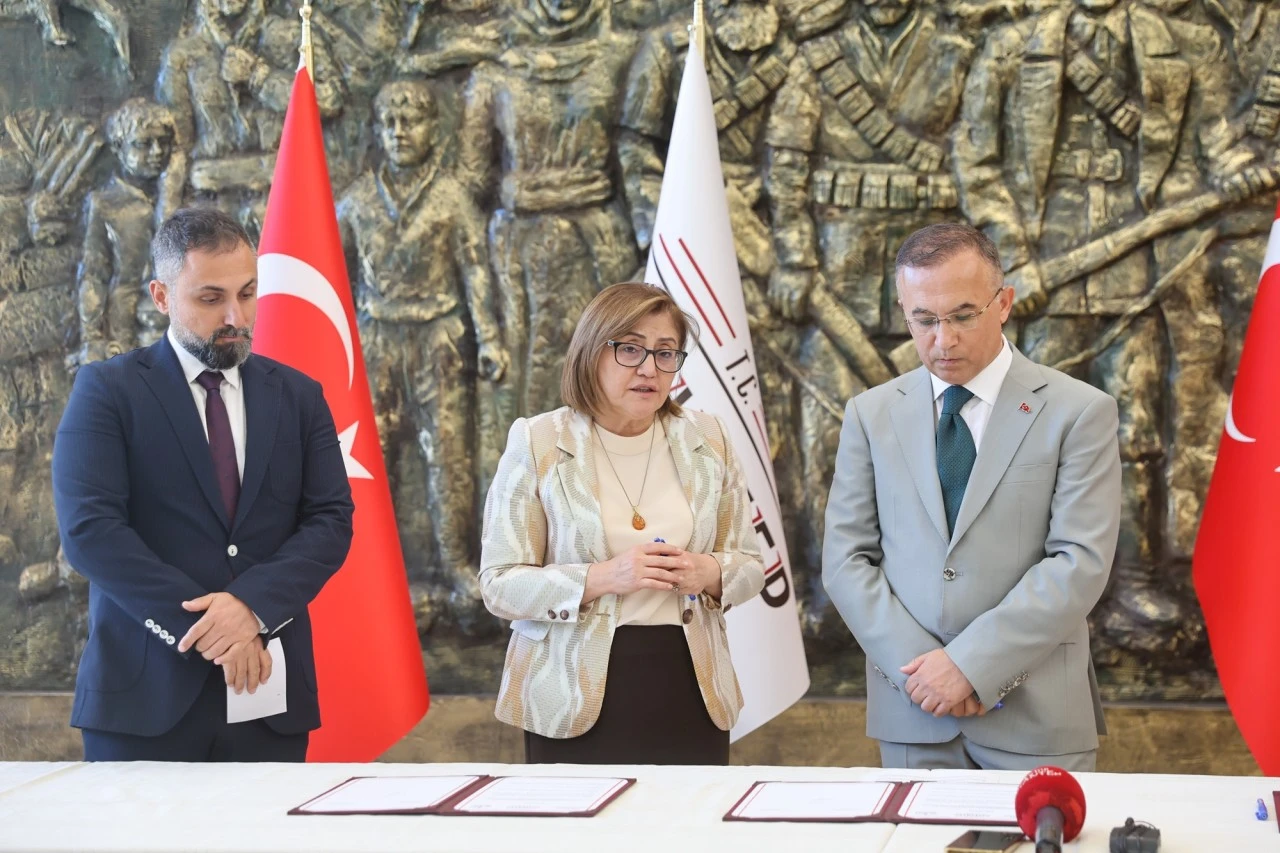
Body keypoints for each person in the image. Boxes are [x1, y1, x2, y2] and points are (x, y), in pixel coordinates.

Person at [52, 207, 354, 761]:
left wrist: (251, 608)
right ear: (161, 297)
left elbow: (330, 521)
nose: (235, 315)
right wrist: (216, 631)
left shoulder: (300, 396)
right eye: (211, 298)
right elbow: (90, 532)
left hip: (267, 699)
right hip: (142, 700)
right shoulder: (107, 391)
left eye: (248, 293)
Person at [822, 223, 1120, 771]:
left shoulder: (1079, 412)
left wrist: (971, 665)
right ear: (903, 312)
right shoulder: (870, 414)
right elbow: (846, 561)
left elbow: (1079, 562)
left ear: (1003, 303)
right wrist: (926, 673)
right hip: (913, 715)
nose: (943, 340)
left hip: (1037, 721)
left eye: (963, 316)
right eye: (924, 320)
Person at [479, 282, 764, 765]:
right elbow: (499, 585)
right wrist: (604, 577)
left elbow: (751, 565)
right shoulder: (538, 441)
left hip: (689, 683)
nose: (649, 369)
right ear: (592, 353)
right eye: (630, 349)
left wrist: (709, 572)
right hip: (570, 690)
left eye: (665, 353)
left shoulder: (709, 438)